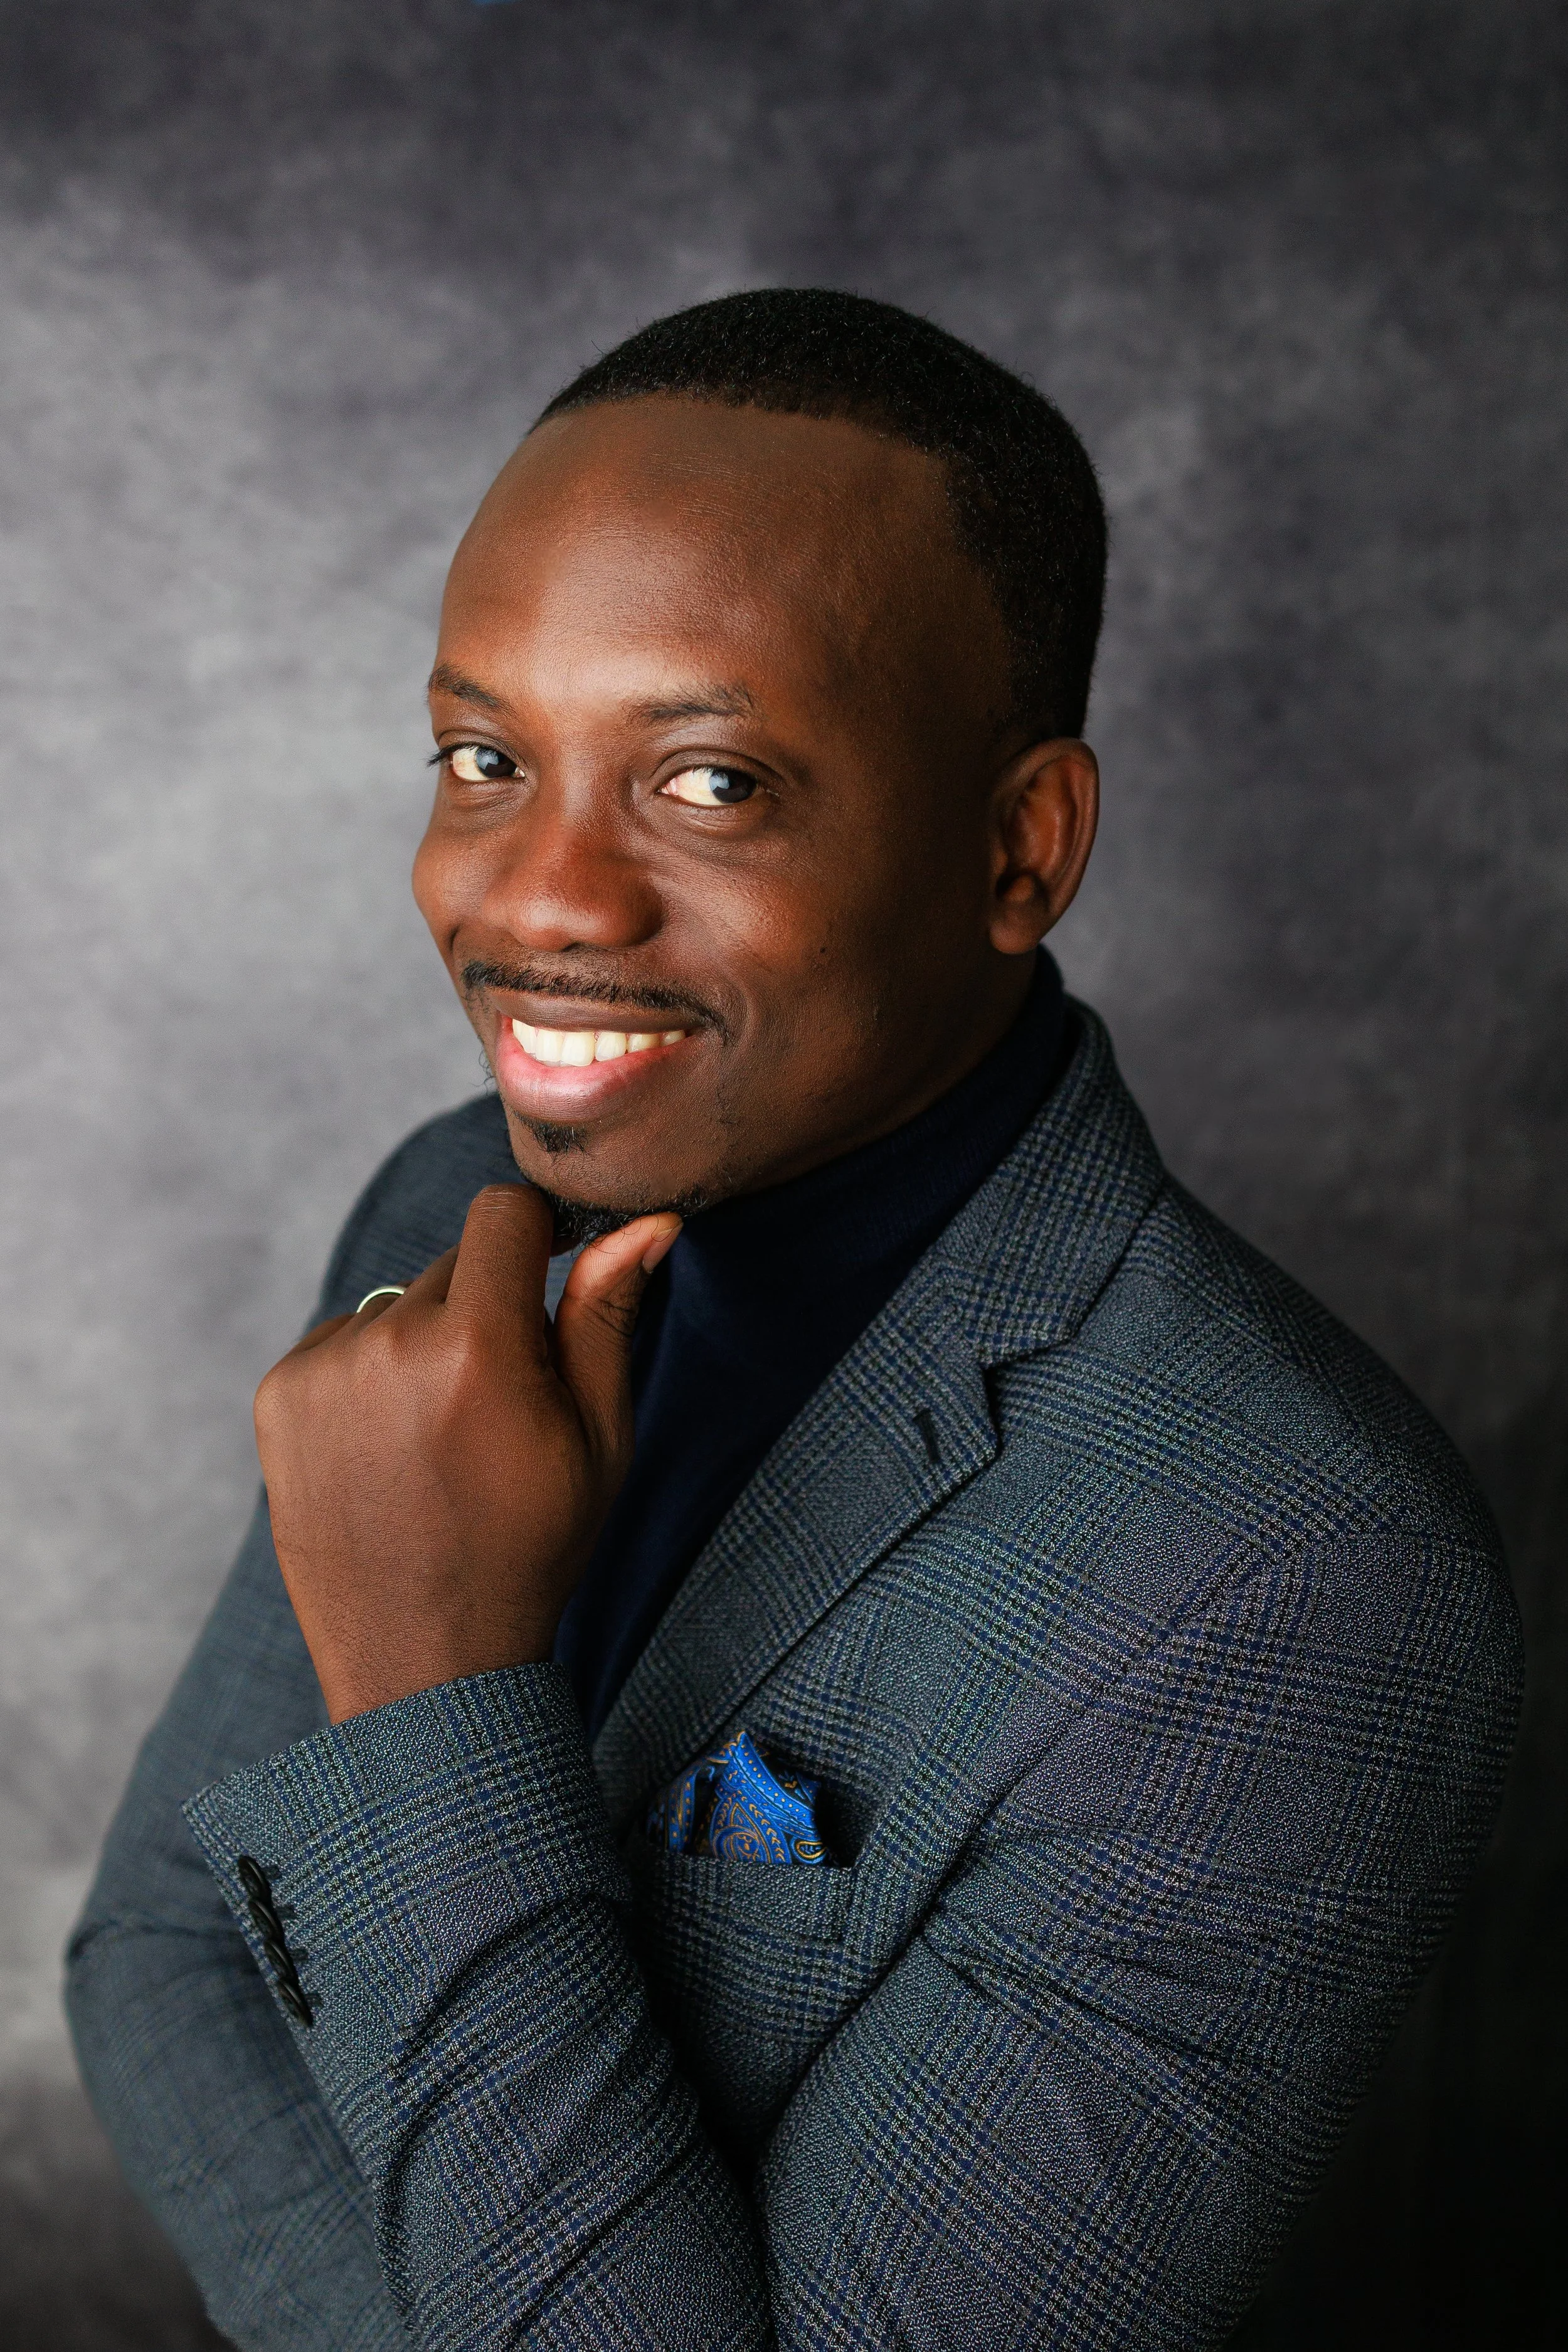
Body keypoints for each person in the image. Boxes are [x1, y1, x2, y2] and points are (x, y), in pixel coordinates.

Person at [66, 289, 1522, 2352]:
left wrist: (419, 1697)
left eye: (712, 781)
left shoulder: (1288, 1576)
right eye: (484, 755)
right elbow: (161, 1963)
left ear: (1021, 847)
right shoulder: (446, 1209)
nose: (541, 895)